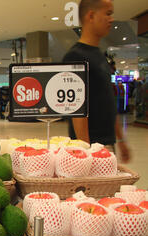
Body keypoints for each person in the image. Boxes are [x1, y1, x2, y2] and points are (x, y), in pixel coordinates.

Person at [62, 0, 130, 163]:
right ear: (91, 16)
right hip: (92, 147)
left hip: (106, 143)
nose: (111, 19)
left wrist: (120, 140)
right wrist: (87, 154)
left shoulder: (99, 54)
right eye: (107, 13)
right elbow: (77, 111)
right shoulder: (75, 57)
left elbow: (107, 100)